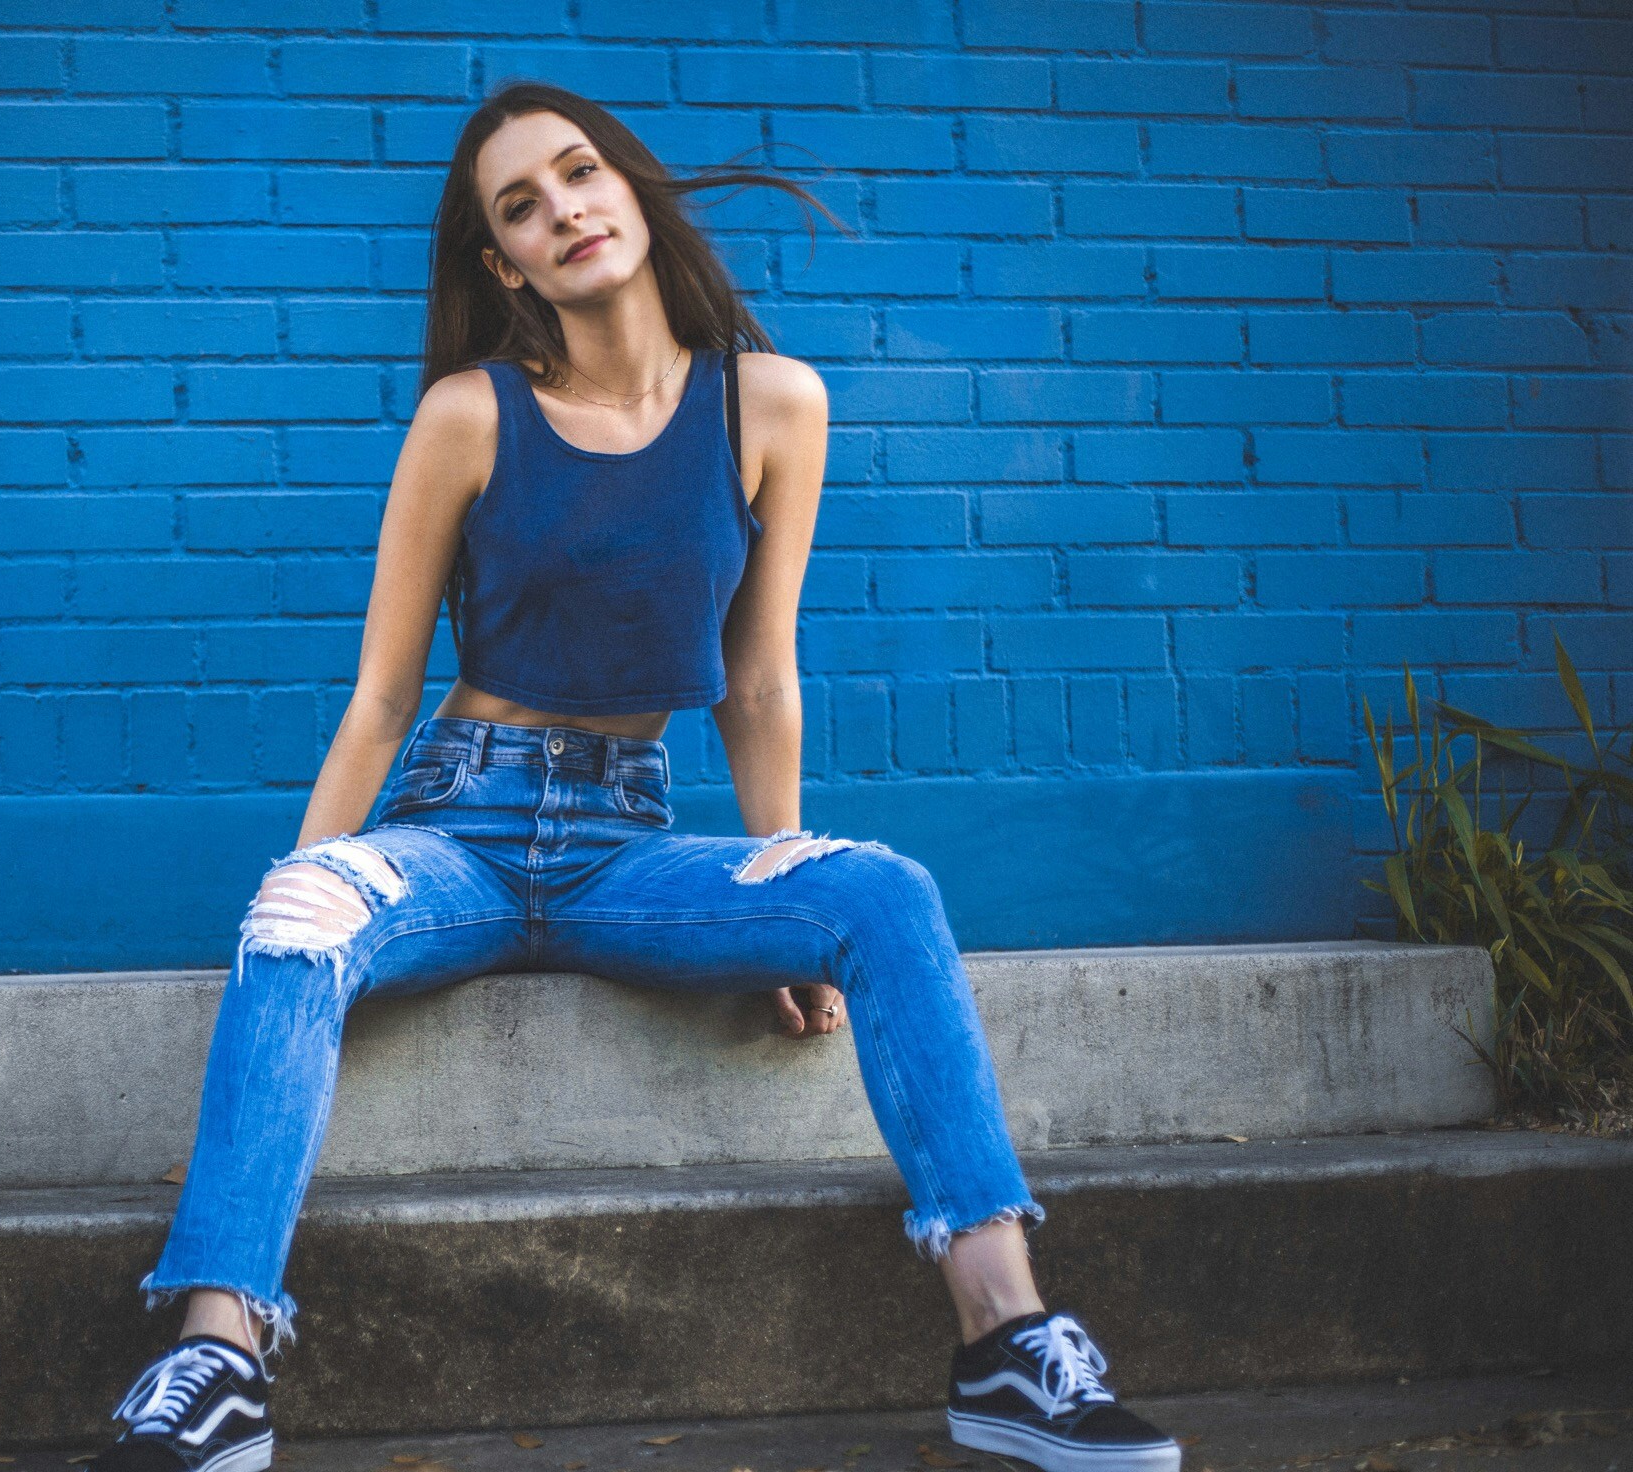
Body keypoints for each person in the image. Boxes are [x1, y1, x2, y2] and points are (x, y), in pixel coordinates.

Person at [90, 82, 1181, 1472]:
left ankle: (1008, 1344)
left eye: (579, 174)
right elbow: (380, 697)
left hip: (624, 845)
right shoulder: (468, 417)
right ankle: (214, 1360)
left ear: (633, 190)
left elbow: (763, 674)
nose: (565, 213)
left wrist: (787, 885)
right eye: (522, 208)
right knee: (304, 917)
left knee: (886, 892)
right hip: (458, 834)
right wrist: (308, 887)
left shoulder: (774, 406)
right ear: (508, 266)